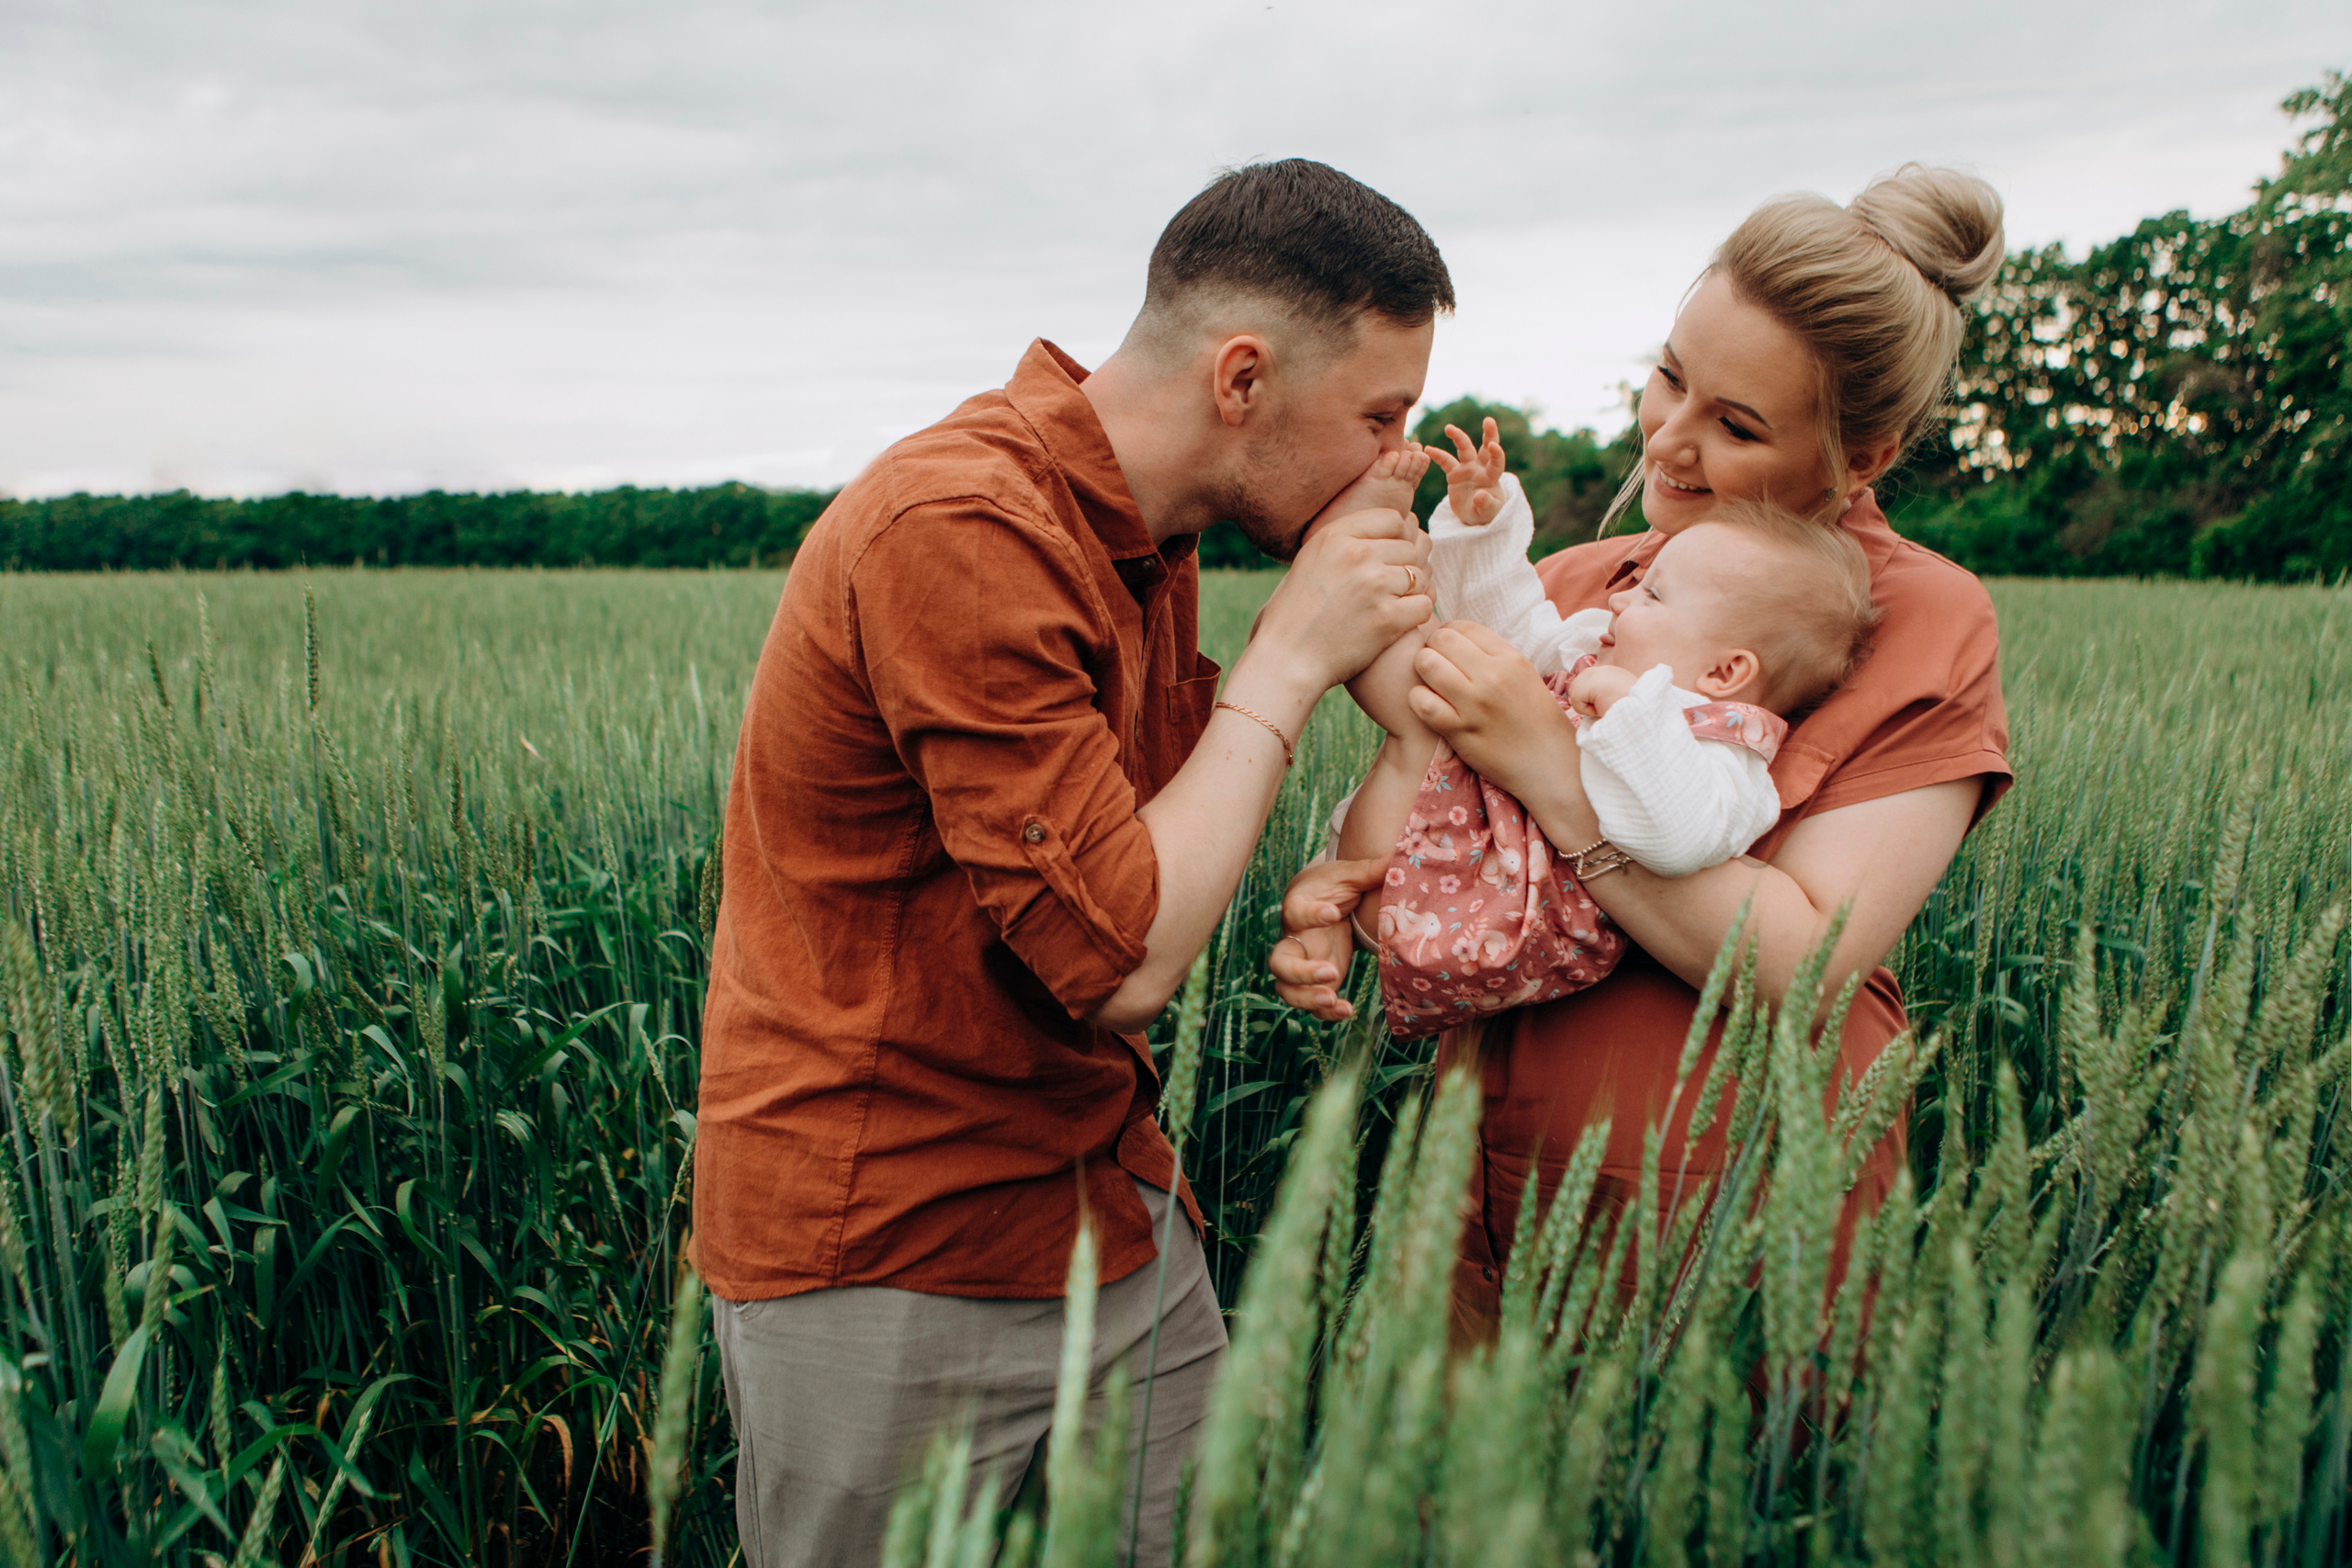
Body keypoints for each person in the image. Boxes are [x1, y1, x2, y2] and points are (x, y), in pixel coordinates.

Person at [693, 159, 1450, 1568]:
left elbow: (1159, 841)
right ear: (1242, 379)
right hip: (892, 1233)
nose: (1391, 454)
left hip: (1109, 1196)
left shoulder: (1153, 538)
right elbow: (1120, 958)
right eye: (1378, 415)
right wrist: (1287, 657)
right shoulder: (963, 525)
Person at [1272, 164, 2013, 1340]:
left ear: (1859, 454)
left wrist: (1554, 771)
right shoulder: (1573, 584)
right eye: (1670, 376)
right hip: (1468, 1181)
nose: (1667, 438)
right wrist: (1348, 891)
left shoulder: (1917, 619)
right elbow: (1423, 808)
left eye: (1736, 424)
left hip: (1725, 1216)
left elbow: (1799, 965)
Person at [1325, 421, 1880, 1040]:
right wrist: (1484, 528)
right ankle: (1354, 551)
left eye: (1654, 596)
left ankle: (1341, 533)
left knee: (1406, 675)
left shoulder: (1725, 753)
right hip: (1435, 856)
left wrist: (1631, 716)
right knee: (1440, 647)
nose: (1621, 600)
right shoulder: (1605, 653)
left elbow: (1681, 839)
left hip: (1501, 912)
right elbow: (1510, 633)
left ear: (1726, 671)